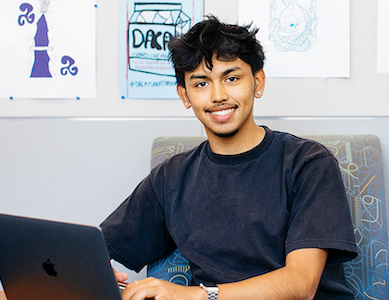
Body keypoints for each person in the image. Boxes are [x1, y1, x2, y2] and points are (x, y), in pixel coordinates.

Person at [101, 16, 358, 300]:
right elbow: (96, 247)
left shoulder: (308, 162)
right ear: (184, 95)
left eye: (232, 78)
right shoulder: (172, 177)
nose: (218, 95)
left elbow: (301, 284)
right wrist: (97, 270)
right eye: (201, 84)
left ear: (257, 82)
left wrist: (196, 296)